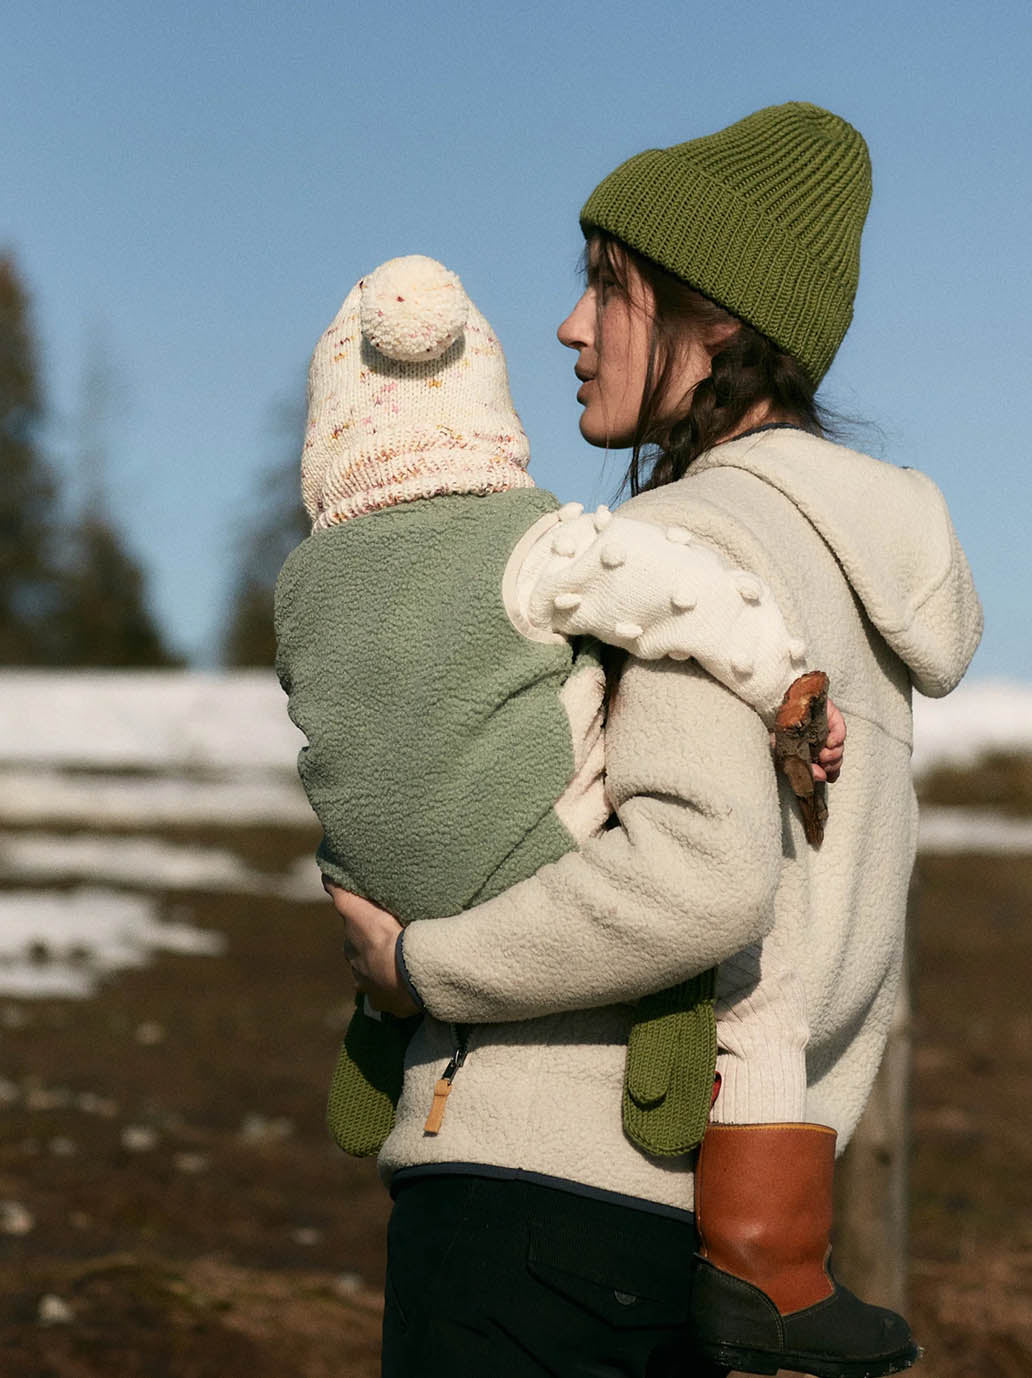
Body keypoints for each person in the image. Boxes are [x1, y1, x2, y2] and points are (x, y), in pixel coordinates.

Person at [313, 102, 982, 1378]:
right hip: (715, 1229)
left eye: (609, 288)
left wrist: (426, 965)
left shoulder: (694, 543)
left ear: (717, 318)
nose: (571, 325)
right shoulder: (858, 573)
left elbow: (701, 873)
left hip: (537, 1204)